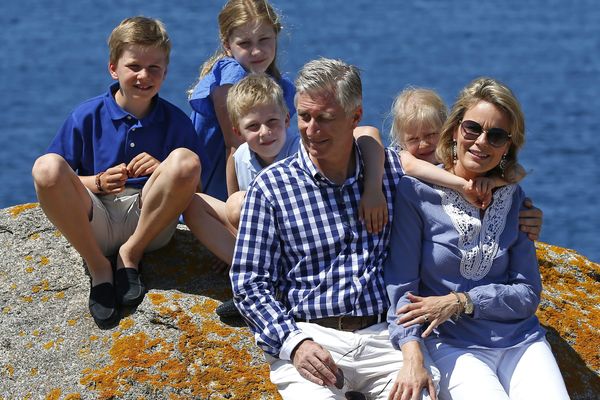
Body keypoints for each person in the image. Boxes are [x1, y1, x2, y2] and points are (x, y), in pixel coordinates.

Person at [230, 57, 440, 399]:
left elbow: (458, 182)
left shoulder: (389, 175)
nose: (311, 129)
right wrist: (294, 343)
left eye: (325, 118)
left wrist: (519, 209)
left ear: (355, 117)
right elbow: (248, 284)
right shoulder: (271, 188)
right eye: (304, 116)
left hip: (386, 337)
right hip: (311, 335)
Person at [385, 77, 569, 400]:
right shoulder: (415, 193)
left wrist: (464, 301)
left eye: (496, 135)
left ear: (507, 147)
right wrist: (411, 353)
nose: (481, 142)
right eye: (472, 129)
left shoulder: (512, 197)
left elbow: (528, 293)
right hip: (452, 345)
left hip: (520, 341)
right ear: (455, 129)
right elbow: (402, 290)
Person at [31, 17, 201, 328]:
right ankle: (99, 268)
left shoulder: (176, 122)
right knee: (46, 166)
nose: (143, 76)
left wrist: (162, 169)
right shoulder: (86, 116)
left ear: (166, 71)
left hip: (148, 222)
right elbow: (57, 181)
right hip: (95, 220)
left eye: (154, 68)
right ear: (114, 68)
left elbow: (194, 187)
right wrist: (95, 181)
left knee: (185, 161)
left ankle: (129, 255)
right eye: (134, 66)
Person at [184, 72, 388, 318]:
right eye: (253, 126)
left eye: (272, 122)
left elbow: (367, 133)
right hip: (262, 242)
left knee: (240, 204)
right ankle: (247, 276)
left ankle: (275, 288)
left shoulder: (302, 146)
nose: (265, 132)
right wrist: (237, 249)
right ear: (238, 132)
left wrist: (373, 188)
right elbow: (234, 212)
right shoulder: (238, 158)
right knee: (195, 202)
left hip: (299, 240)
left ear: (287, 119)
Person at [187, 0, 294, 201]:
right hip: (216, 194)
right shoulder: (231, 74)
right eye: (245, 43)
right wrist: (234, 206)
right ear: (227, 45)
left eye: (264, 39)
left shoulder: (280, 86)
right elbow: (234, 146)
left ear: (276, 35)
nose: (257, 51)